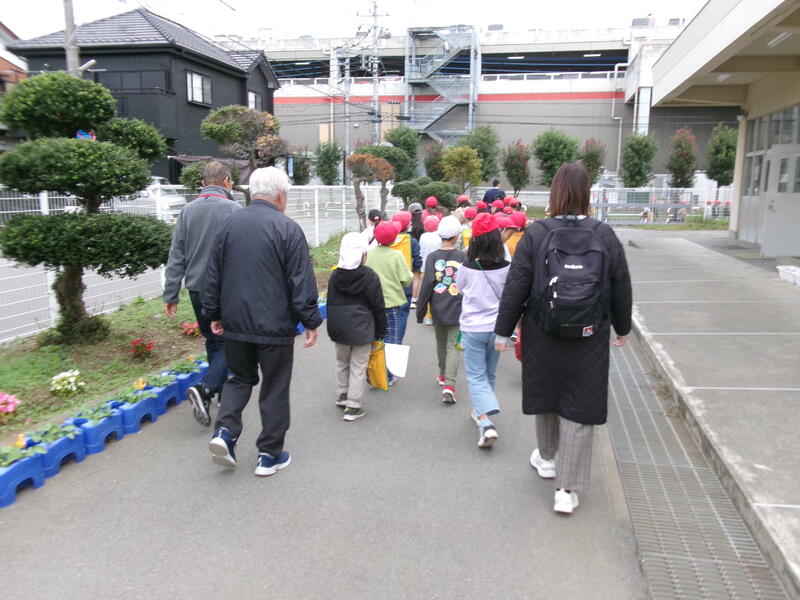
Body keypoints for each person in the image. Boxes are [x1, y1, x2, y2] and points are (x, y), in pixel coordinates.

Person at [494, 162, 632, 514]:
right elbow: (620, 284)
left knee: (547, 394)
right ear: (587, 193)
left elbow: (517, 286)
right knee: (580, 406)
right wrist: (622, 326)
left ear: (555, 192)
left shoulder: (537, 233)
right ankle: (566, 491)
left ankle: (547, 458)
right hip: (589, 335)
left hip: (543, 332)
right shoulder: (604, 234)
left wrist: (503, 331)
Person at [203, 166, 322, 477]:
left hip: (236, 322)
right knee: (274, 386)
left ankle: (225, 432)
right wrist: (310, 320)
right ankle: (269, 455)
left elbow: (213, 274)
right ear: (280, 195)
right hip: (275, 325)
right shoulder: (288, 229)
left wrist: (214, 313)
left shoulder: (228, 225)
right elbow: (300, 281)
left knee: (239, 378)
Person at [163, 161, 241, 427]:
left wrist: (171, 293)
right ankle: (206, 388)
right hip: (226, 289)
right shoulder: (234, 209)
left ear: (203, 184)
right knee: (231, 341)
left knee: (213, 339)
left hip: (197, 288)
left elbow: (177, 255)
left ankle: (217, 392)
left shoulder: (187, 211)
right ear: (227, 181)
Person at [453, 213, 510, 448]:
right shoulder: (506, 267)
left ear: (474, 240)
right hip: (497, 328)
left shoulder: (467, 266)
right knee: (489, 373)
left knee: (476, 375)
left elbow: (460, 288)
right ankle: (481, 411)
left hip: (473, 327)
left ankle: (485, 423)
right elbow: (510, 296)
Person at [327, 233, 386, 421]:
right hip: (362, 327)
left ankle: (343, 394)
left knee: (342, 362)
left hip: (339, 328)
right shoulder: (369, 276)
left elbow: (330, 303)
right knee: (358, 366)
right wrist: (380, 331)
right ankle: (353, 406)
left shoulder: (335, 276)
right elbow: (378, 306)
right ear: (362, 255)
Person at [416, 216, 465, 403]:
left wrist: (421, 312)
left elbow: (427, 285)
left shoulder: (432, 257)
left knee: (441, 343)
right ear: (456, 236)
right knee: (453, 346)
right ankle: (450, 385)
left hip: (437, 307)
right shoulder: (463, 257)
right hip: (458, 307)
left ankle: (443, 375)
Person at [365, 221, 413, 384]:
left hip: (371, 304)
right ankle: (389, 375)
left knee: (373, 337)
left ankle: (373, 372)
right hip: (391, 303)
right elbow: (406, 279)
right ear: (394, 239)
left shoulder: (369, 254)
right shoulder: (396, 255)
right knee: (391, 337)